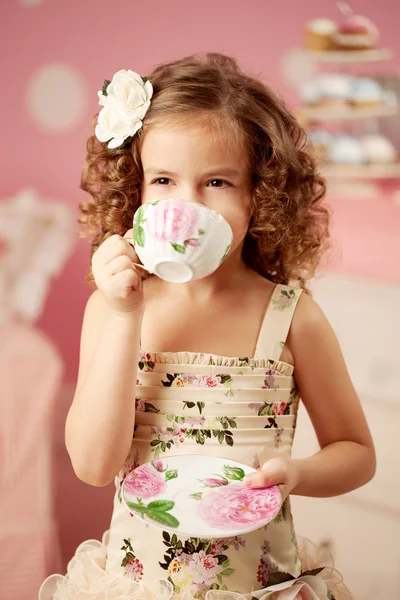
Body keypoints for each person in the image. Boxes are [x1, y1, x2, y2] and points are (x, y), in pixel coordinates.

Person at [39, 53, 375, 600]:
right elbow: (95, 467)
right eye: (164, 180)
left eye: (217, 181)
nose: (187, 204)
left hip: (262, 585)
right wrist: (125, 314)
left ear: (259, 194)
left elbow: (357, 452)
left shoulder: (292, 316)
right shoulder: (111, 308)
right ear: (137, 191)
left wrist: (297, 473)